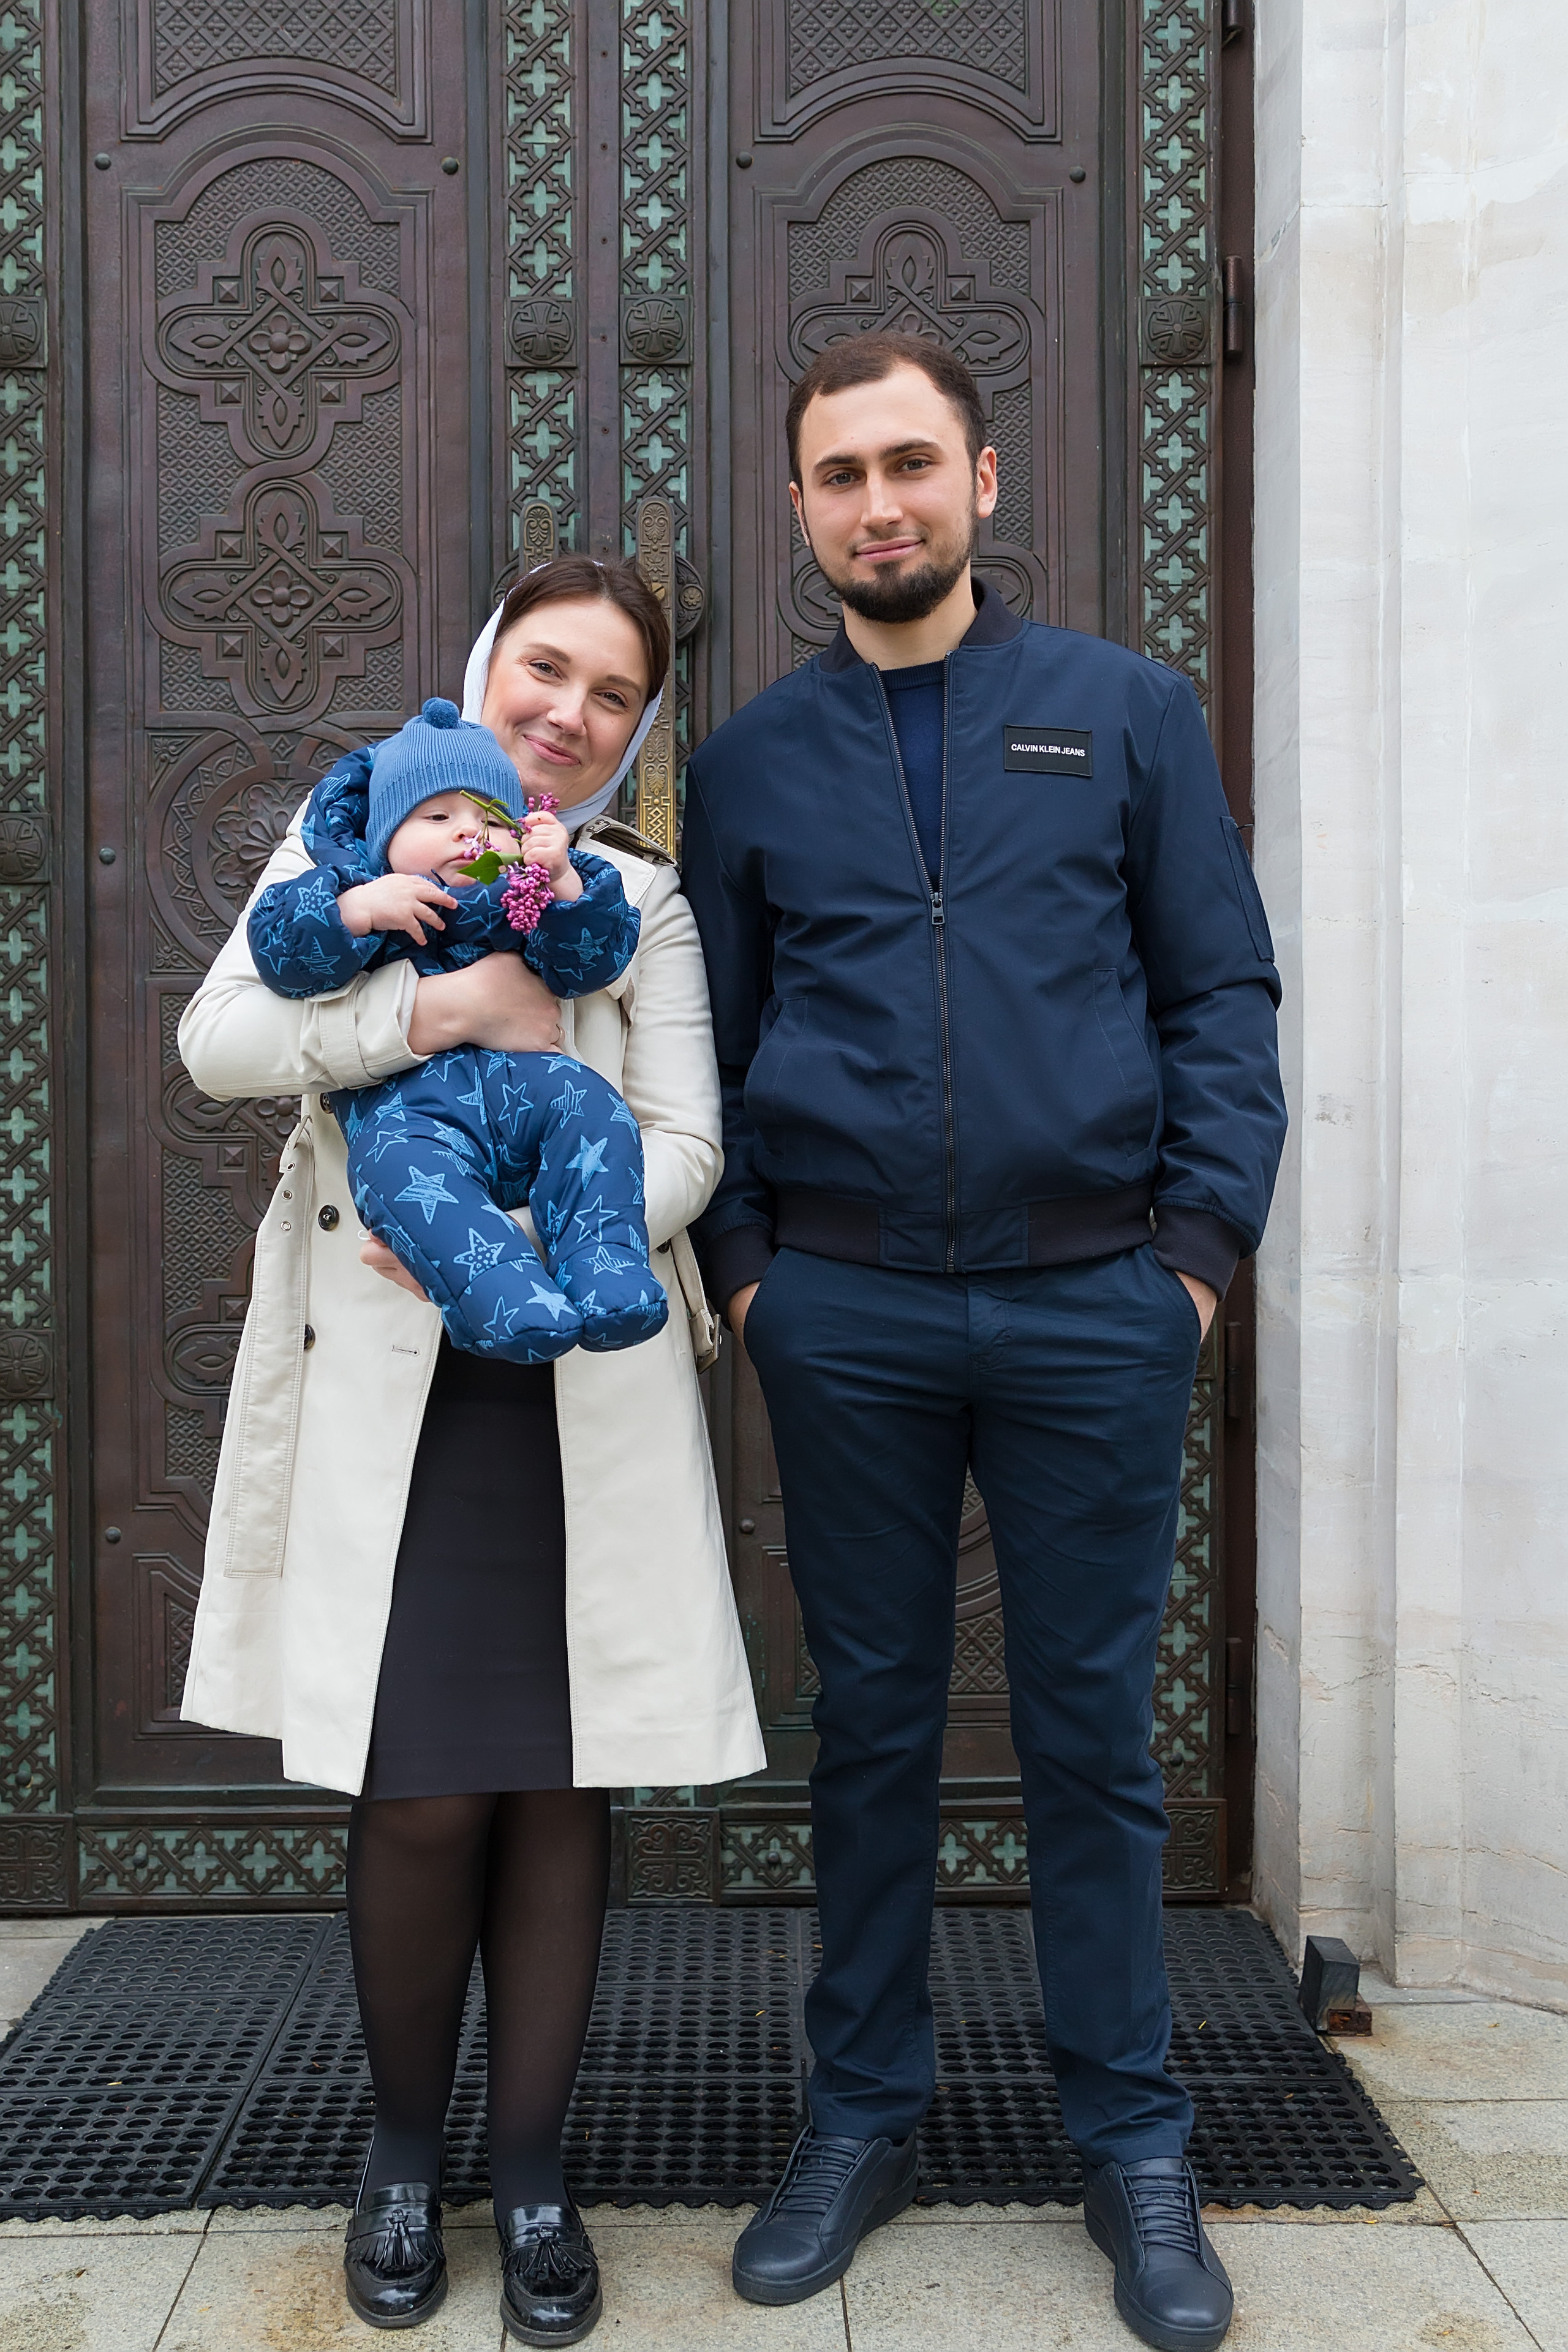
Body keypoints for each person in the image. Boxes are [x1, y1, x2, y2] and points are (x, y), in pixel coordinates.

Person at [681, 334, 1286, 2352]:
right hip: (842, 1313)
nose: (880, 504)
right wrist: (759, 1272)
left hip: (1091, 1299)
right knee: (870, 1734)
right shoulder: (754, 758)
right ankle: (863, 2117)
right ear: (800, 509)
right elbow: (720, 1035)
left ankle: (1132, 2141)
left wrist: (1193, 1256)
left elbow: (1220, 996)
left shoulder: (1121, 714)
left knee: (1090, 1746)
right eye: (840, 474)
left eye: (911, 465)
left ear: (984, 481)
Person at [179, 554, 766, 2343]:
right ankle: (397, 2153)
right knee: (423, 1785)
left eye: (606, 691)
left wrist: (523, 1223)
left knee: (556, 1785)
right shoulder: (347, 826)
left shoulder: (631, 901)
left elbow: (687, 1147)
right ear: (484, 669)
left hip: (567, 1376)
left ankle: (532, 2172)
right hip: (391, 1382)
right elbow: (222, 1039)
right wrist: (422, 1015)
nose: (564, 708)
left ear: (631, 731)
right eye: (542, 666)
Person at [246, 696, 666, 1360]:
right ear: (384, 840)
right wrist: (354, 910)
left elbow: (590, 961)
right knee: (396, 1169)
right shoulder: (362, 893)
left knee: (596, 1111)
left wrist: (561, 885)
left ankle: (604, 1268)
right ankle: (500, 1296)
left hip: (532, 1098)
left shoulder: (520, 900)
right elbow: (282, 958)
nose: (468, 834)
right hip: (413, 1115)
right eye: (437, 816)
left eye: (490, 820)